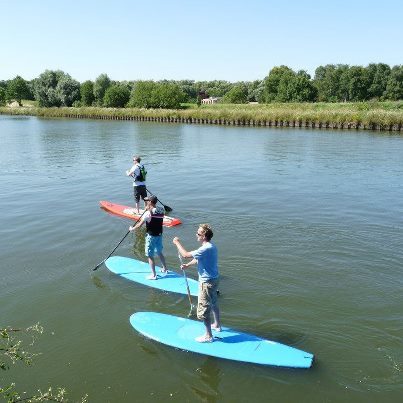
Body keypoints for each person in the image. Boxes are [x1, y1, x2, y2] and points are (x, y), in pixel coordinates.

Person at [173, 224, 221, 343]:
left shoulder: (205, 248)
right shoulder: (211, 246)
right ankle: (217, 325)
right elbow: (198, 258)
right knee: (214, 303)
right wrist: (187, 265)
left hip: (206, 282)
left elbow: (185, 255)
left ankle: (208, 336)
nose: (196, 235)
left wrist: (177, 242)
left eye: (198, 234)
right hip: (214, 279)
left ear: (204, 236)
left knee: (204, 310)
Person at [129, 195, 167, 280]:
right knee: (159, 252)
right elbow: (156, 213)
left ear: (150, 202)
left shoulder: (147, 213)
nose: (145, 202)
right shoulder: (161, 210)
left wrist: (132, 228)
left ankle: (154, 275)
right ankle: (165, 269)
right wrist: (149, 209)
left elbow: (139, 225)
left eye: (147, 201)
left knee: (150, 255)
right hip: (159, 235)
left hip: (151, 236)